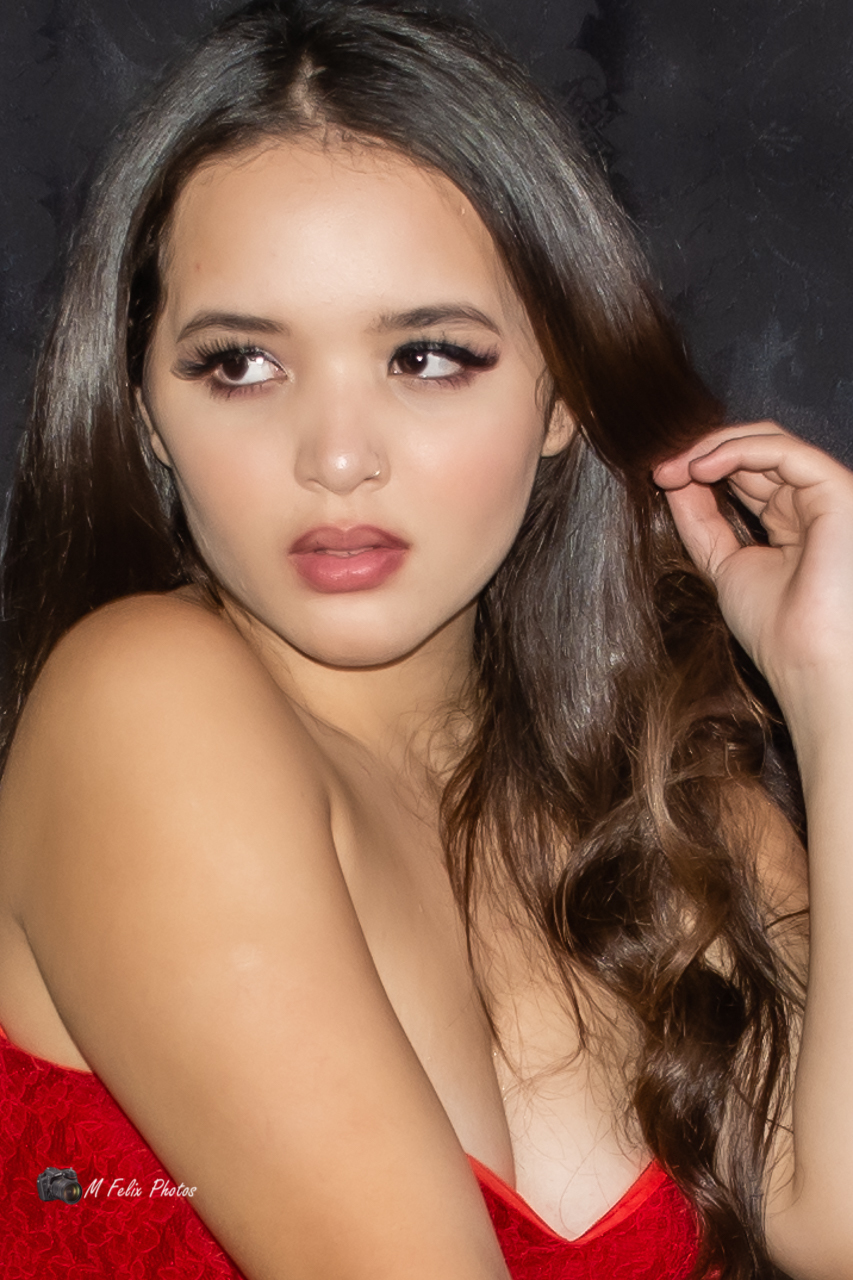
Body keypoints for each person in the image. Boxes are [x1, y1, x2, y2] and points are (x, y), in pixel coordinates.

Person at [0, 1, 849, 1277]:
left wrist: (831, 688)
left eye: (430, 356)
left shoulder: (670, 809)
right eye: (241, 365)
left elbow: (832, 1215)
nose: (338, 457)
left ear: (562, 394)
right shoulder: (144, 705)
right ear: (146, 412)